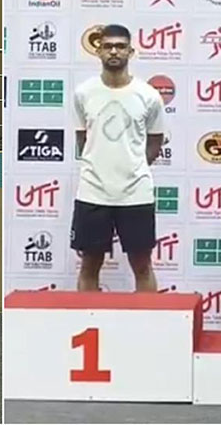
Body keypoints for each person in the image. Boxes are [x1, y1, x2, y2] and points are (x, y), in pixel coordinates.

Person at [69, 25, 166, 292]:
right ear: (98, 51)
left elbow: (154, 144)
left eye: (120, 46)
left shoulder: (149, 96)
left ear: (130, 51)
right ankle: (86, 325)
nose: (114, 51)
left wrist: (131, 167)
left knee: (142, 264)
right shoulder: (83, 93)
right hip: (92, 192)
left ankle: (146, 329)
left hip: (136, 193)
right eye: (108, 46)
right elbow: (82, 140)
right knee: (89, 263)